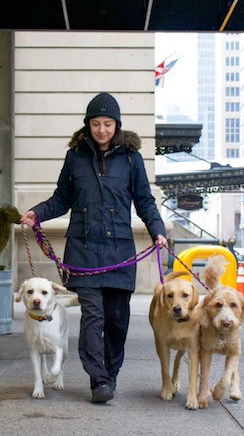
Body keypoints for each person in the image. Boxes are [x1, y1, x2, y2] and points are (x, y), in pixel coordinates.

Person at [21, 92, 167, 404]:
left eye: (108, 123)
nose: (102, 129)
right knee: (93, 316)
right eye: (96, 123)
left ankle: (109, 374)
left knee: (117, 319)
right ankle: (98, 379)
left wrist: (157, 231)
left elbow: (144, 201)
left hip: (119, 252)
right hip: (83, 251)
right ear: (88, 125)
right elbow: (62, 198)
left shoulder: (131, 159)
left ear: (117, 125)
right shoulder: (75, 157)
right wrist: (37, 213)